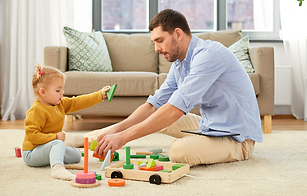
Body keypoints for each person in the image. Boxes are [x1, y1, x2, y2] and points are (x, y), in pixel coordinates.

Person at [91, 9, 263, 166]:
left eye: (160, 41)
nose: (157, 48)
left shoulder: (208, 55)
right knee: (157, 117)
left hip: (236, 138)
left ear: (178, 34)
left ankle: (227, 149)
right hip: (209, 125)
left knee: (178, 152)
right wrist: (116, 130)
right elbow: (154, 105)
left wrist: (124, 138)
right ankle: (93, 137)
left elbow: (175, 110)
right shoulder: (179, 64)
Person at [22, 63, 110, 180]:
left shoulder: (60, 104)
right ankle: (57, 169)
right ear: (43, 92)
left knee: (76, 155)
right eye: (58, 90)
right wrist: (54, 137)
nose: (62, 93)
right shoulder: (36, 110)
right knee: (58, 144)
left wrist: (99, 95)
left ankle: (55, 155)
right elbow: (31, 135)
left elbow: (78, 101)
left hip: (48, 147)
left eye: (61, 89)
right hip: (32, 153)